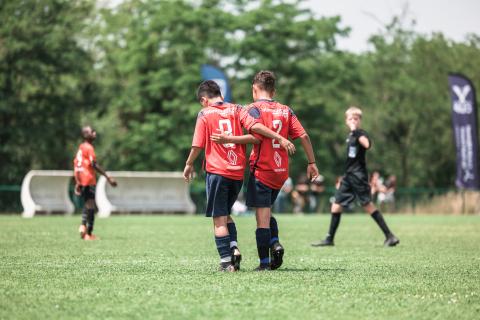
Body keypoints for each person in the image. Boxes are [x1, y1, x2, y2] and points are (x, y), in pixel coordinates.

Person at [184, 80, 295, 272]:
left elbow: (197, 145)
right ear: (220, 94)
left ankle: (227, 261)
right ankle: (234, 246)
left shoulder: (204, 114)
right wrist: (278, 137)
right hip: (237, 173)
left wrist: (188, 163)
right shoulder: (238, 109)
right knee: (226, 213)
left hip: (217, 171)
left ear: (203, 100)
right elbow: (257, 136)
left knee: (219, 218)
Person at [227, 70, 319, 271]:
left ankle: (264, 263)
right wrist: (312, 162)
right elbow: (303, 136)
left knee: (261, 219)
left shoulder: (251, 109)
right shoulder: (286, 110)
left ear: (254, 89)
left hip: (262, 170)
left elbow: (256, 128)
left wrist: (278, 138)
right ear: (273, 90)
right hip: (281, 173)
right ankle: (275, 242)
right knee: (266, 212)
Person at [311, 106, 399, 247]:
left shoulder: (360, 133)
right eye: (350, 119)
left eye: (356, 119)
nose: (353, 121)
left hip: (358, 176)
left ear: (360, 121)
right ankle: (329, 239)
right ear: (346, 120)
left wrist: (355, 131)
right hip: (349, 176)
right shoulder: (350, 136)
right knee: (336, 206)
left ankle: (390, 236)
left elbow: (367, 144)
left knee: (367, 205)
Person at [74, 126, 117, 240]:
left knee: (88, 204)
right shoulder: (89, 148)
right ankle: (89, 233)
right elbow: (94, 164)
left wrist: (78, 182)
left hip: (82, 179)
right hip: (88, 179)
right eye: (92, 132)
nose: (95, 133)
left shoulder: (81, 147)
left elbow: (77, 165)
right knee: (91, 207)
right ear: (85, 135)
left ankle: (83, 226)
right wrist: (108, 177)